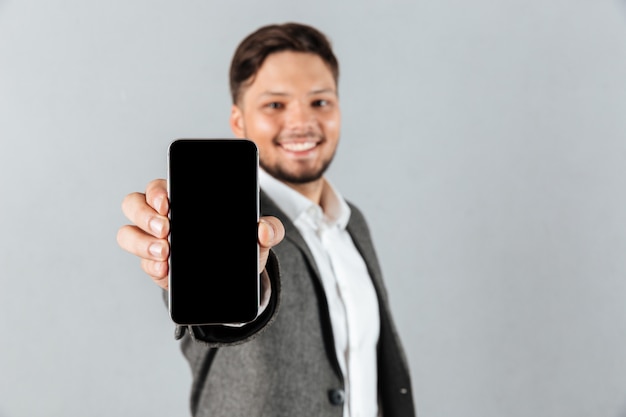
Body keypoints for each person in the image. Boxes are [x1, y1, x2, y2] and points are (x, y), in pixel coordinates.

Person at [117, 22, 416, 417]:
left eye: (320, 102)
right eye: (275, 105)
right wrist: (216, 284)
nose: (301, 122)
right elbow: (218, 329)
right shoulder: (225, 219)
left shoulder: (352, 223)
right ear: (239, 121)